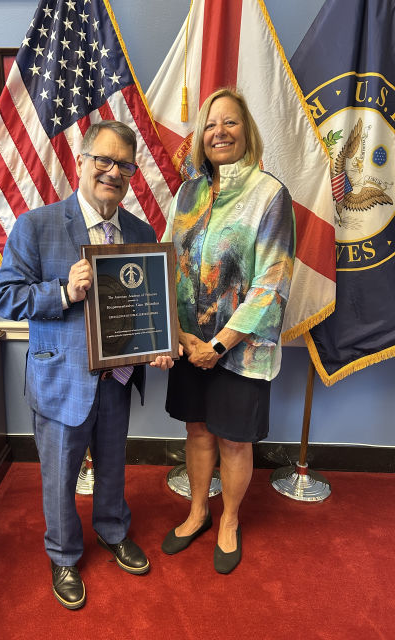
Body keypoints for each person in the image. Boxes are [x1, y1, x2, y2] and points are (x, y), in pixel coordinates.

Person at [0, 120, 173, 610]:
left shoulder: (141, 232)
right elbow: (4, 297)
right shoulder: (36, 225)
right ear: (82, 160)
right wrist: (63, 293)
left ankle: (113, 531)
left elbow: (145, 309)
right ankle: (64, 554)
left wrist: (156, 344)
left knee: (112, 465)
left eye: (124, 165)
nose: (113, 172)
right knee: (60, 475)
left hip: (117, 377)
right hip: (60, 376)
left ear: (132, 174)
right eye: (104, 160)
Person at [160, 88, 295, 574]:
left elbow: (272, 285)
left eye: (230, 122)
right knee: (197, 431)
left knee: (234, 440)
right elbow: (167, 261)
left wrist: (219, 345)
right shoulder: (187, 193)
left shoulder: (270, 195)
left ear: (247, 131)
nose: (220, 132)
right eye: (211, 124)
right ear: (201, 136)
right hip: (188, 344)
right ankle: (198, 512)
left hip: (240, 350)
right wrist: (178, 334)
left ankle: (230, 520)